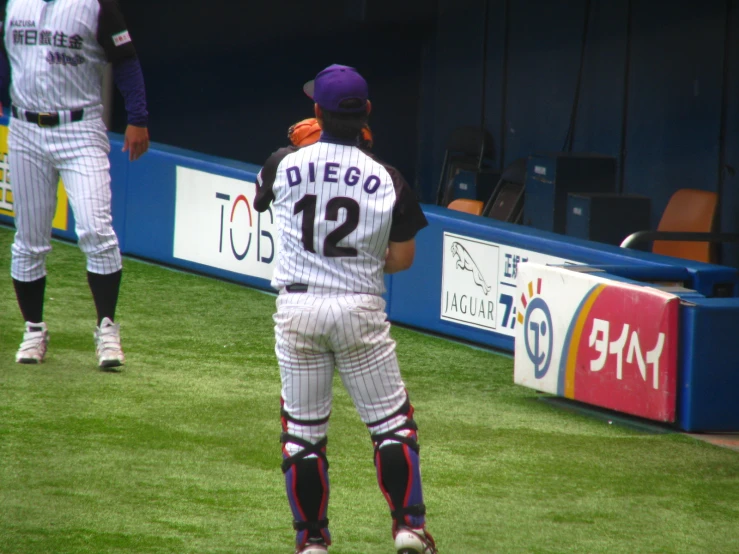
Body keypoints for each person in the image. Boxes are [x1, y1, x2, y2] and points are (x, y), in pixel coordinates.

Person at [254, 64, 437, 554]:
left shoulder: (281, 163)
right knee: (391, 425)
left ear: (316, 111)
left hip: (298, 310)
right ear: (367, 114)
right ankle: (409, 528)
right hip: (359, 309)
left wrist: (302, 151)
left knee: (304, 435)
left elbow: (264, 196)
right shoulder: (389, 178)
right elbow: (400, 258)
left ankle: (312, 540)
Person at [0, 0, 150, 368]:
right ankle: (34, 329)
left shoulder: (96, 5)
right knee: (29, 240)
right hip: (24, 129)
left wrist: (138, 117)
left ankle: (107, 329)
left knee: (97, 231)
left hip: (80, 128)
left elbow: (127, 60)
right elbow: (6, 57)